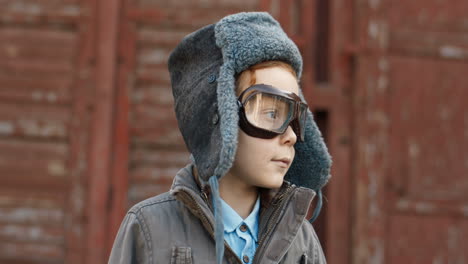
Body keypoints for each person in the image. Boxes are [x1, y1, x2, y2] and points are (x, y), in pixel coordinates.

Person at [108, 12, 331, 264]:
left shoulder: (302, 243)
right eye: (271, 113)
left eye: (295, 118)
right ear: (220, 116)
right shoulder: (149, 229)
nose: (291, 136)